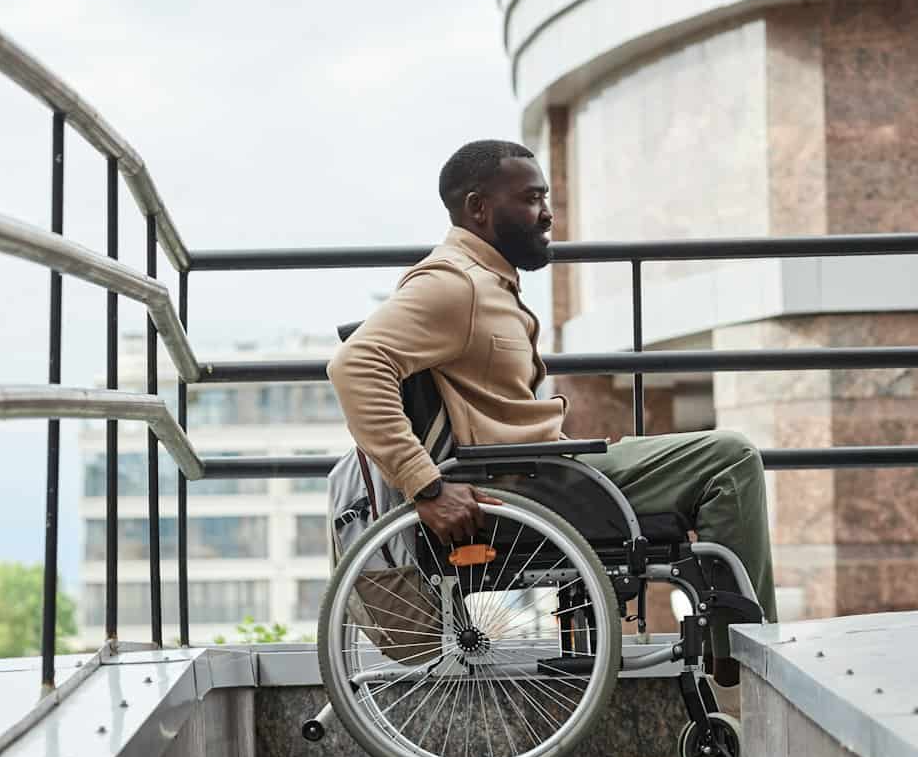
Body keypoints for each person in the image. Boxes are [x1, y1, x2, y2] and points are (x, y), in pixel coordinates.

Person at [328, 139, 776, 685]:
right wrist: (426, 487)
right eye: (531, 198)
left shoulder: (485, 280)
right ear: (479, 208)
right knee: (728, 459)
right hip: (525, 486)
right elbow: (354, 365)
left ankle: (731, 645)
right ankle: (746, 662)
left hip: (544, 469)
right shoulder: (453, 284)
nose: (547, 213)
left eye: (545, 198)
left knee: (712, 457)